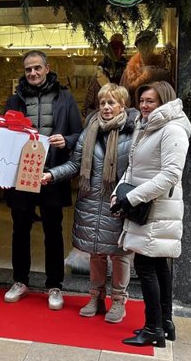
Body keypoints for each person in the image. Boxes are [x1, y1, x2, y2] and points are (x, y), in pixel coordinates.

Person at [42, 84, 137, 323]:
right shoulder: (89, 130)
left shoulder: (133, 132)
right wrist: (51, 175)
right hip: (91, 200)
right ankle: (95, 297)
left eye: (111, 103)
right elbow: (76, 165)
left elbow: (138, 169)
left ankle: (118, 301)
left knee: (120, 254)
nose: (105, 107)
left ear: (122, 105)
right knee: (95, 253)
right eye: (102, 103)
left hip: (118, 202)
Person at [111, 81, 190, 347]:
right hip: (146, 206)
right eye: (142, 100)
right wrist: (119, 191)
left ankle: (154, 327)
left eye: (150, 101)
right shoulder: (147, 127)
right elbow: (134, 167)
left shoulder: (172, 129)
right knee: (157, 265)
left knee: (146, 265)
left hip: (156, 208)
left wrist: (131, 198)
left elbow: (170, 175)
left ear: (163, 102)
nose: (144, 106)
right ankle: (164, 323)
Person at [3, 50, 83, 310]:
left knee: (53, 231)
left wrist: (67, 141)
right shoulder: (14, 100)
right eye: (28, 69)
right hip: (21, 175)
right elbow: (4, 135)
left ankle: (55, 285)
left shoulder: (65, 98)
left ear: (47, 68)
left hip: (52, 174)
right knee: (20, 230)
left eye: (37, 68)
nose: (33, 73)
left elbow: (77, 134)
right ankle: (20, 280)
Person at [120, 31, 171, 105]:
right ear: (137, 47)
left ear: (154, 45)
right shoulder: (129, 72)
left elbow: (168, 98)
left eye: (149, 44)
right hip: (134, 114)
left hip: (157, 113)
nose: (146, 48)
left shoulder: (161, 72)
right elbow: (122, 98)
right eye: (142, 44)